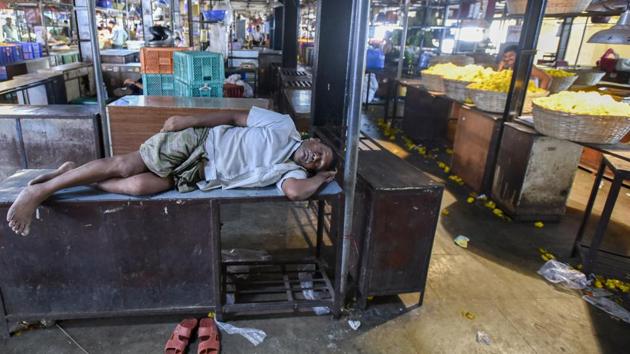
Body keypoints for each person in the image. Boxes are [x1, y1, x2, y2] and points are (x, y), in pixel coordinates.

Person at [6, 107, 337, 236]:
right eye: (320, 153)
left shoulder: (289, 171)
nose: (315, 158)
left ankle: (68, 176)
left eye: (318, 164)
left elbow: (294, 192)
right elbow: (236, 117)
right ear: (314, 140)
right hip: (199, 142)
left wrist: (320, 179)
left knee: (137, 186)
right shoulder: (283, 125)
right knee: (126, 164)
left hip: (199, 176)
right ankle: (38, 191)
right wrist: (190, 121)